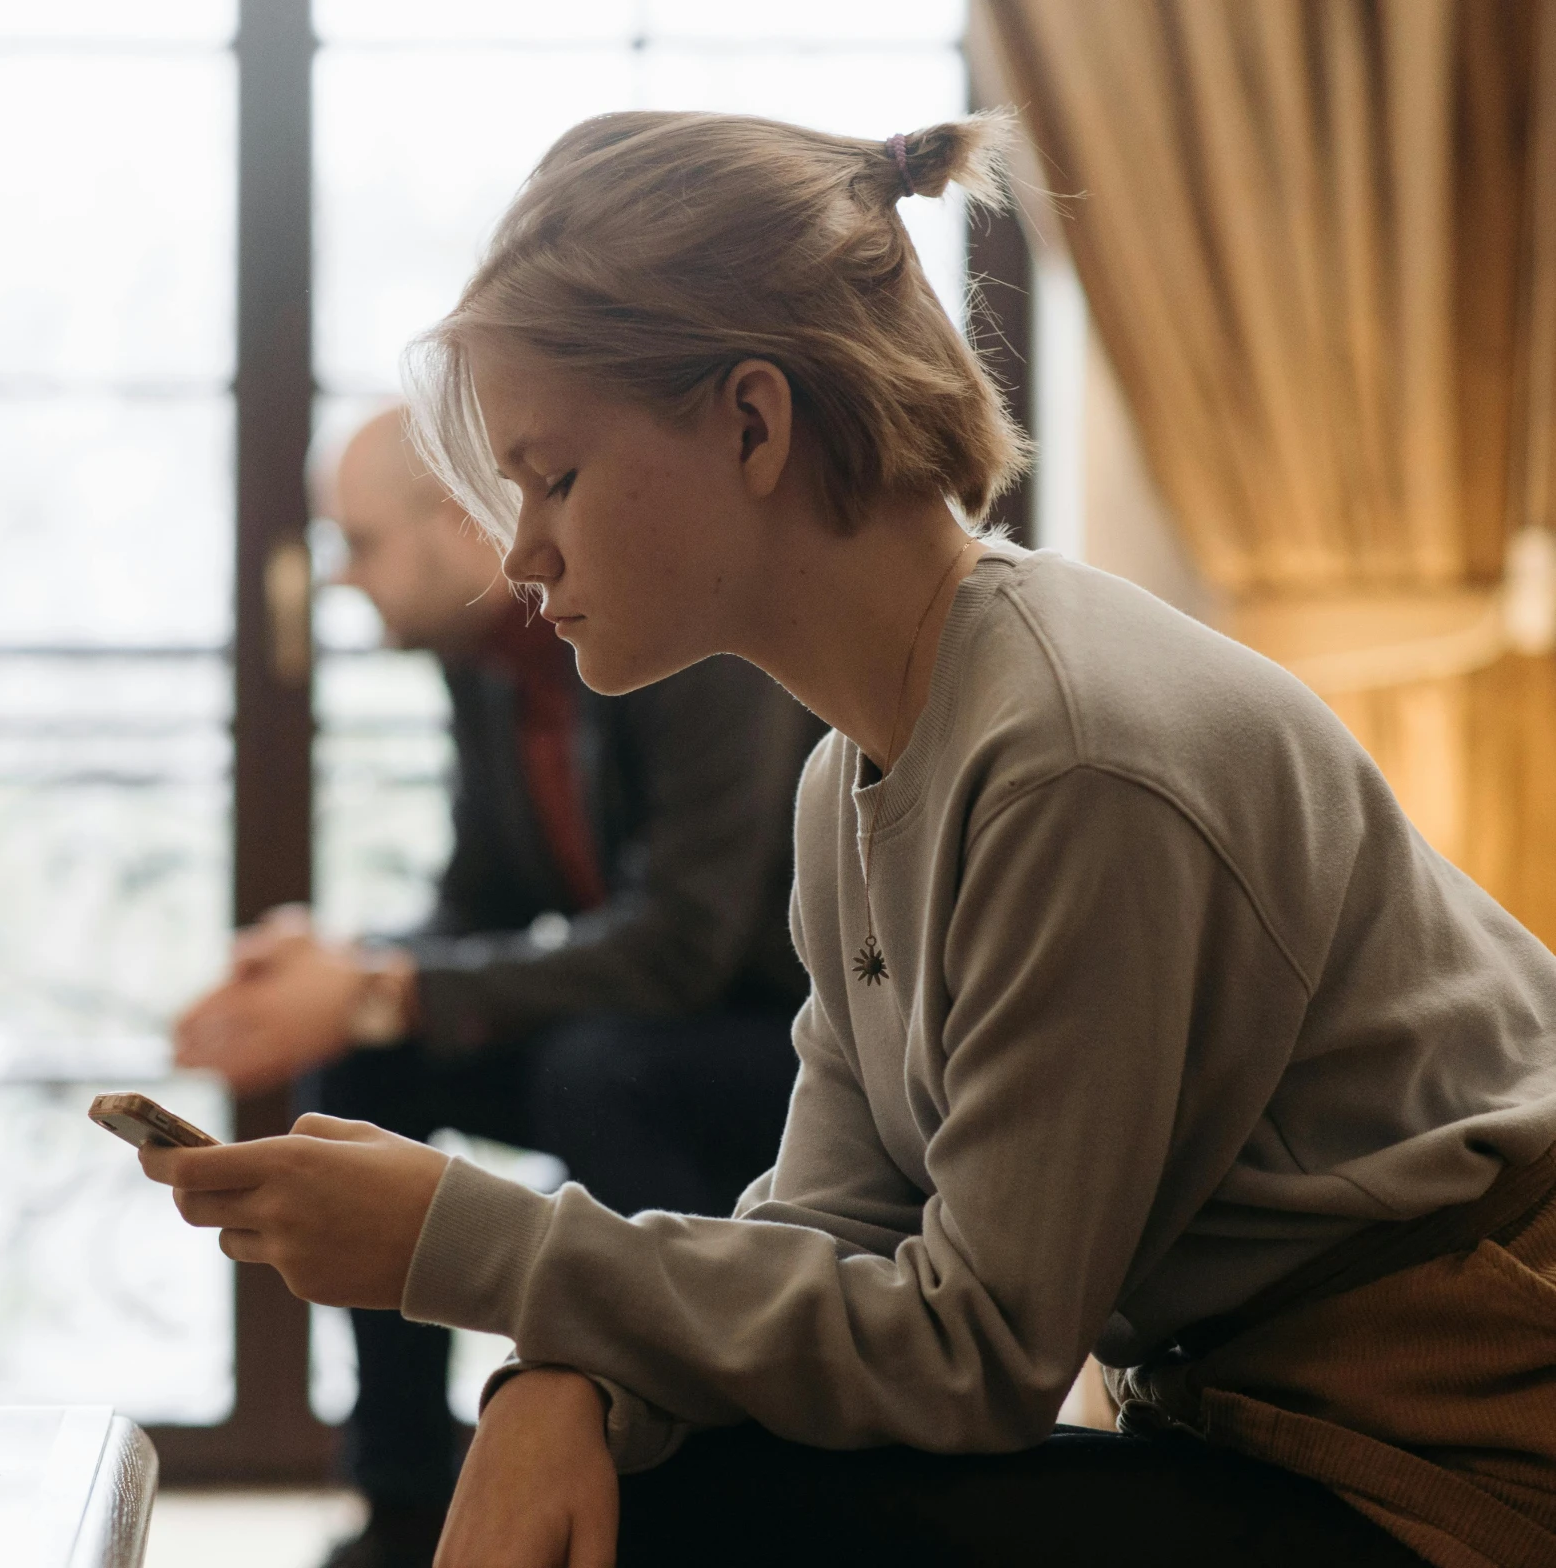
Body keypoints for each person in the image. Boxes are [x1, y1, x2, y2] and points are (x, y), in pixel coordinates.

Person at [139, 109, 1556, 1568]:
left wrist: (472, 1247)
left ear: (753, 422)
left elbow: (975, 1350)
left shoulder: (1073, 756)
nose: (521, 554)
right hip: (1264, 1426)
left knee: (697, 1515)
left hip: (1454, 1478)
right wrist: (565, 1376)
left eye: (553, 476)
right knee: (655, 1465)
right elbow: (827, 1220)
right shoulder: (858, 772)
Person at [174, 407, 823, 1567]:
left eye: (360, 541)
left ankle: (694, 1463)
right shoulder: (487, 669)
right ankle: (404, 1497)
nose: (344, 578)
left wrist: (382, 981)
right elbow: (475, 901)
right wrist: (341, 973)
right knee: (366, 1059)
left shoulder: (682, 642)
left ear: (457, 524)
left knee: (595, 1069)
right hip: (641, 1026)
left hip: (788, 1040)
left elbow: (686, 943)